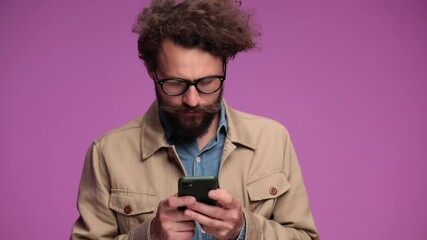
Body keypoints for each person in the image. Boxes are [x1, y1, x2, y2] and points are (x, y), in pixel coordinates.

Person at [70, 0, 319, 239]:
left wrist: (244, 230)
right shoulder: (107, 152)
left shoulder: (273, 140)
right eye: (175, 83)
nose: (192, 99)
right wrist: (149, 236)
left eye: (206, 82)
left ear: (224, 67)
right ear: (152, 71)